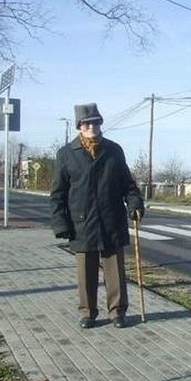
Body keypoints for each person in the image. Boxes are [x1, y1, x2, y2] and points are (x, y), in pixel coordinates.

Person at [50, 103, 145, 329]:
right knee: (86, 272)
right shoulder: (66, 154)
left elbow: (129, 185)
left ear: (100, 123)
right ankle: (88, 313)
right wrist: (60, 223)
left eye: (95, 122)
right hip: (81, 222)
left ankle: (117, 312)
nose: (91, 126)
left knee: (115, 270)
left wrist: (135, 203)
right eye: (86, 123)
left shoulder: (114, 150)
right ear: (79, 126)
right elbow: (57, 194)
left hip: (111, 219)